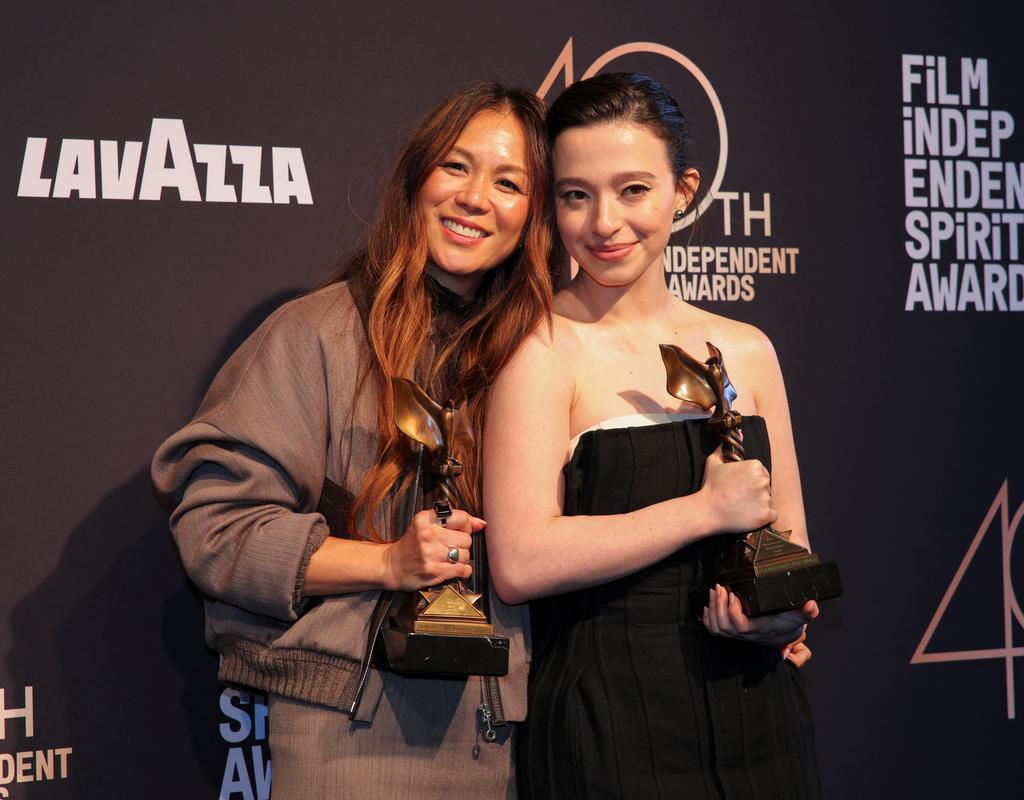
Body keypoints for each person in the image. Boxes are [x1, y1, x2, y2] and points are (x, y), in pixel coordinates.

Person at [152, 82, 560, 799]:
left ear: (533, 214)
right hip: (350, 738)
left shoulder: (541, 354)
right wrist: (388, 562)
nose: (475, 198)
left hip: (507, 736)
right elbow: (218, 529)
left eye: (508, 182)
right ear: (416, 178)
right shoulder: (317, 334)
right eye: (456, 167)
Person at [483, 73, 822, 798]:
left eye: (633, 190)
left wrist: (779, 615)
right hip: (608, 730)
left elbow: (789, 543)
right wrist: (701, 512)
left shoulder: (749, 348)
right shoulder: (538, 352)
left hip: (760, 717)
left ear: (684, 189)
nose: (604, 222)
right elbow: (519, 561)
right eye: (576, 195)